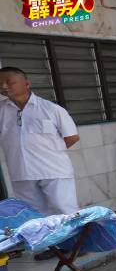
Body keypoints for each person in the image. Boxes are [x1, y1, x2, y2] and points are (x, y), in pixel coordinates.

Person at [0, 66, 80, 216]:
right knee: (33, 215)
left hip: (53, 171)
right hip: (21, 173)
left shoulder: (51, 109)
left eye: (9, 82)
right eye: (0, 84)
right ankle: (51, 241)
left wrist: (48, 152)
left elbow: (72, 137)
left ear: (27, 84)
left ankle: (75, 240)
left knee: (64, 211)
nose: (4, 87)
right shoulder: (1, 111)